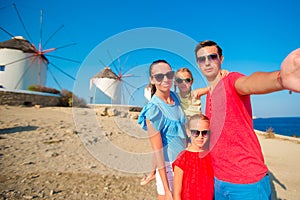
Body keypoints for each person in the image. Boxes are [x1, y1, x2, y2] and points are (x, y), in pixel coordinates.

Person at [193, 40, 300, 199]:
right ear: (198, 63)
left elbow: (250, 83)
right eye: (202, 59)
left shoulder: (231, 80)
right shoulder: (209, 93)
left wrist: (280, 79)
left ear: (221, 59)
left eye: (212, 57)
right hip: (219, 181)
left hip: (246, 183)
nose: (207, 62)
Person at [138, 59, 188, 200]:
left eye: (169, 75)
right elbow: (158, 152)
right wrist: (166, 190)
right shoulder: (154, 110)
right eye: (159, 76)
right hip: (169, 168)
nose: (166, 79)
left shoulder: (174, 97)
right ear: (152, 80)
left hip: (184, 163)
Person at [172, 114, 214, 200]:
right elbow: (177, 193)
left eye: (205, 132)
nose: (200, 136)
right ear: (188, 132)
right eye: (196, 132)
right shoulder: (182, 159)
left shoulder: (211, 155)